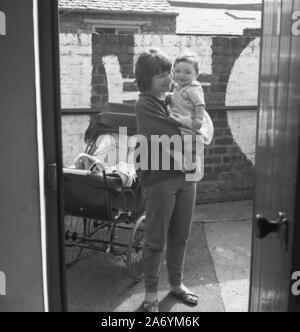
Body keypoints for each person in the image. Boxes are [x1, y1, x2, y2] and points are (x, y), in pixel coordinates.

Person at [134, 49, 199, 312]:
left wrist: (198, 126)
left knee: (180, 236)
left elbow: (202, 121)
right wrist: (195, 128)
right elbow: (179, 131)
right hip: (159, 179)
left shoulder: (174, 99)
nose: (166, 78)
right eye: (159, 75)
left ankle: (176, 284)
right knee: (155, 240)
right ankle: (150, 294)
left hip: (188, 175)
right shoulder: (145, 104)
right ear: (145, 79)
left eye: (167, 73)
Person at [166, 53, 208, 175]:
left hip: (189, 120)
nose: (181, 75)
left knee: (189, 142)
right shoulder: (177, 87)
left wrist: (199, 119)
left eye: (187, 72)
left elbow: (200, 104)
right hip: (180, 118)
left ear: (196, 75)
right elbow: (176, 98)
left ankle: (190, 164)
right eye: (177, 71)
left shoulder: (193, 89)